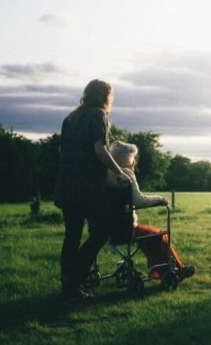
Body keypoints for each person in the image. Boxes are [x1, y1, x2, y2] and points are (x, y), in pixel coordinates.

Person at [54, 79, 131, 301]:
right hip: (86, 187)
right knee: (100, 232)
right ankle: (75, 279)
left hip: (65, 184)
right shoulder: (98, 115)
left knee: (72, 235)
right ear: (105, 96)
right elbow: (100, 149)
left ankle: (68, 285)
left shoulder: (71, 118)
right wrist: (119, 172)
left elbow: (64, 151)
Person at [106, 141, 196, 281]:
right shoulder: (126, 173)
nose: (134, 161)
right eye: (132, 157)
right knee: (159, 235)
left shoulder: (104, 174)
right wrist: (160, 199)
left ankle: (161, 268)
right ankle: (174, 269)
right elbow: (139, 201)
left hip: (106, 228)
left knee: (149, 235)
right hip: (126, 227)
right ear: (125, 159)